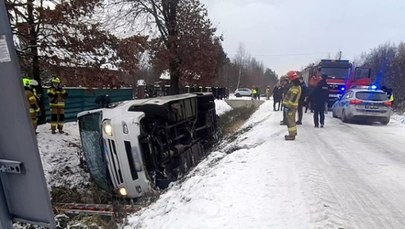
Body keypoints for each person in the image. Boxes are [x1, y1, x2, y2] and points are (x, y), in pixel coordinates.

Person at [283, 71, 301, 140]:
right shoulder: (295, 86)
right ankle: (293, 133)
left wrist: (288, 106)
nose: (288, 79)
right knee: (291, 120)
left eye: (289, 78)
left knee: (290, 121)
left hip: (291, 106)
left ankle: (292, 135)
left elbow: (292, 98)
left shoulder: (295, 87)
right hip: (291, 106)